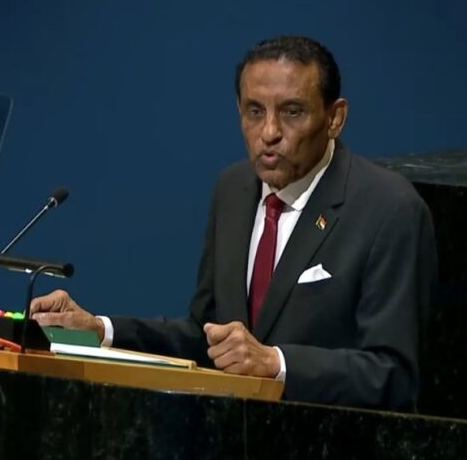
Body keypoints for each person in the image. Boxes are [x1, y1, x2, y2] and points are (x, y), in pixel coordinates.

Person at [30, 35, 437, 410]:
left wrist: (276, 363)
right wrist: (99, 330)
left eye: (292, 112)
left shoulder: (388, 209)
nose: (269, 132)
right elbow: (205, 336)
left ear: (335, 118)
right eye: (255, 112)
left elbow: (394, 377)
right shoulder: (233, 190)